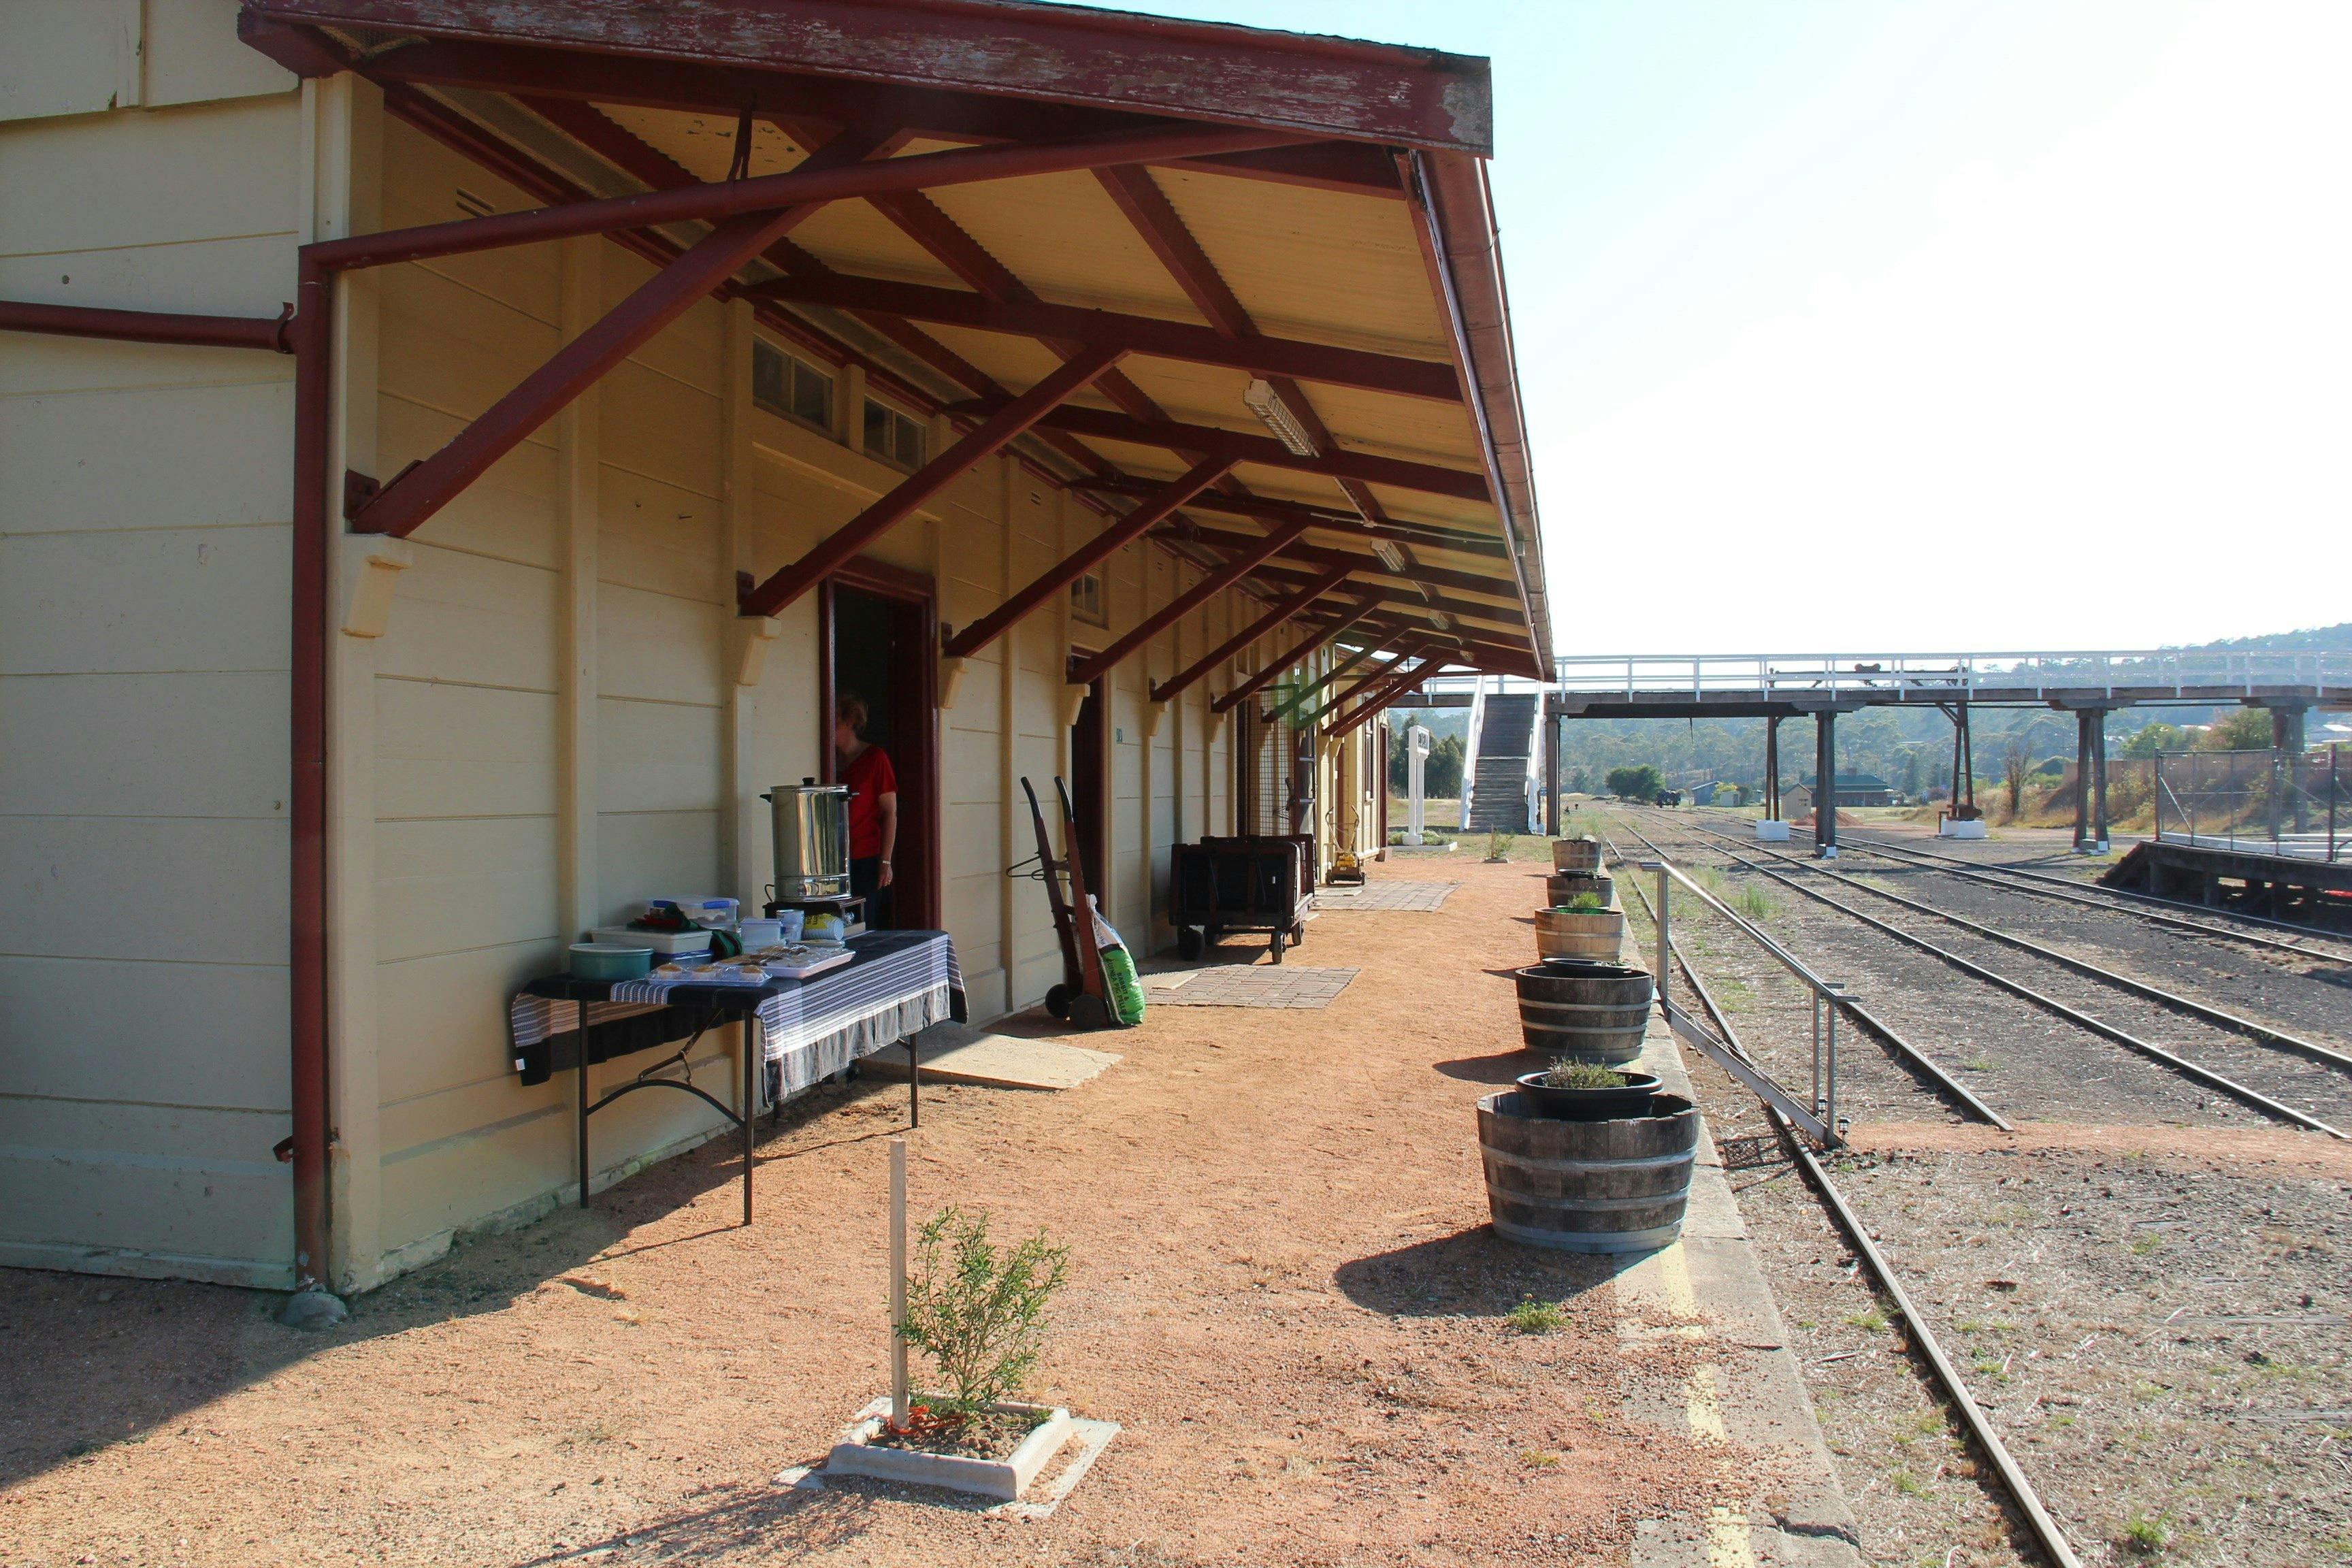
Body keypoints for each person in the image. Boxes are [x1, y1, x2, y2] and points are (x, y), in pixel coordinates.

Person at [835, 693, 897, 930]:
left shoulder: (875, 759)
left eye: (834, 715)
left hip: (865, 858)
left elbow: (890, 812)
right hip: (831, 861)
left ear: (849, 721)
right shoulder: (827, 758)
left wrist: (885, 861)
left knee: (862, 926)